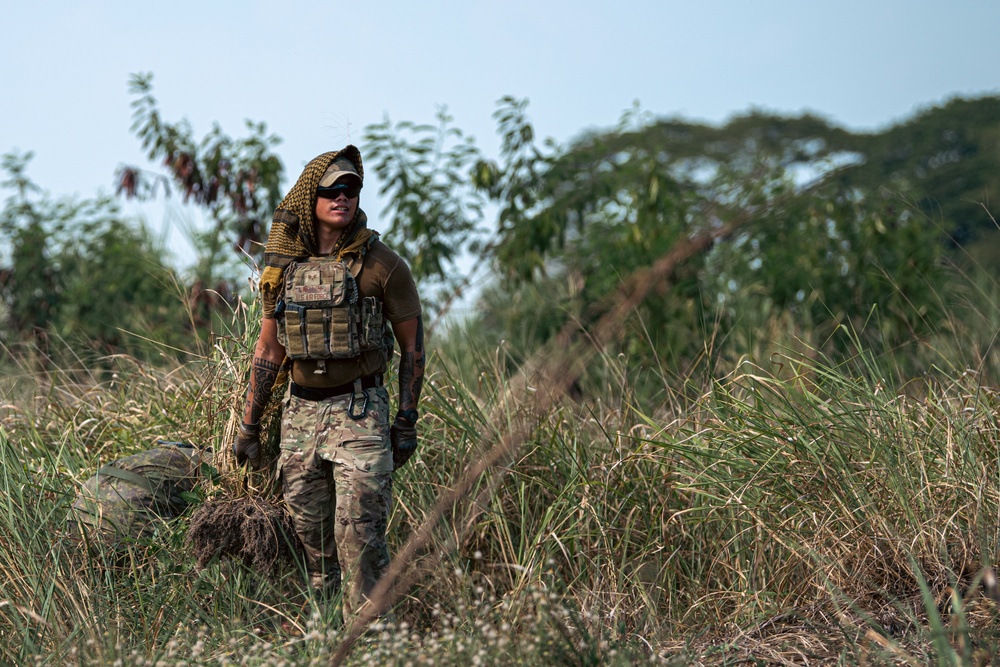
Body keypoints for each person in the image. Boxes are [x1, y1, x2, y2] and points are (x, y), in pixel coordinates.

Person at [231, 146, 424, 620]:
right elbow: (269, 351)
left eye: (352, 188)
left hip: (360, 415)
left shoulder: (383, 265)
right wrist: (250, 427)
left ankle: (376, 645)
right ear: (308, 198)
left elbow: (413, 349)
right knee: (312, 547)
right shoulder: (283, 268)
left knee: (359, 545)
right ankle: (321, 641)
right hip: (300, 419)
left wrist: (405, 420)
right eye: (331, 190)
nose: (343, 197)